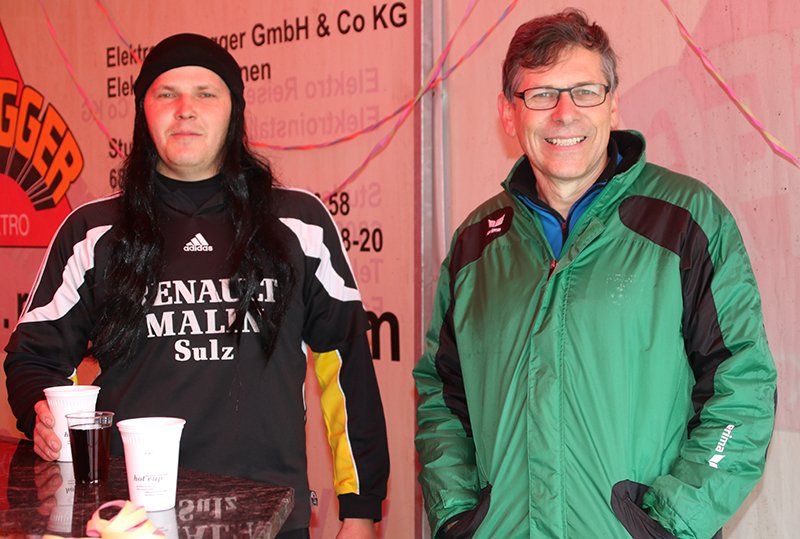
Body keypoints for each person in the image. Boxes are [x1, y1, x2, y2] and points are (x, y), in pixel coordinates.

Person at [4, 33, 389, 539]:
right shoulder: (92, 233)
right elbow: (33, 358)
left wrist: (359, 512)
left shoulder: (299, 224)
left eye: (206, 93)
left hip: (270, 518)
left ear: (234, 112)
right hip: (130, 522)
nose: (185, 109)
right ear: (143, 112)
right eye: (167, 93)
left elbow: (347, 369)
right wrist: (39, 413)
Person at [413, 9, 776, 539]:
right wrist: (457, 517)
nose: (565, 114)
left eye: (585, 91)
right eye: (541, 95)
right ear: (508, 114)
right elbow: (442, 396)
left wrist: (670, 526)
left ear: (612, 104)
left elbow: (742, 386)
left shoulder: (685, 222)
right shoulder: (475, 246)